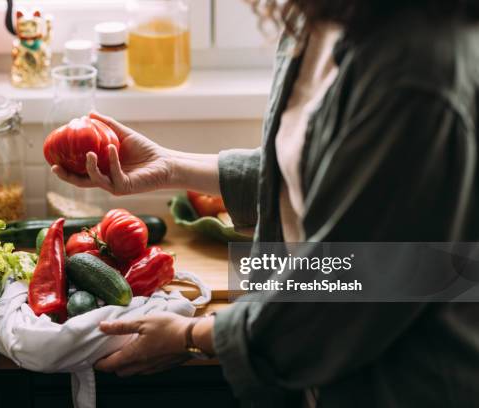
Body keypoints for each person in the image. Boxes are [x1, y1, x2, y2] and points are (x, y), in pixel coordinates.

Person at [52, 0, 479, 406]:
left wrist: (194, 334)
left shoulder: (417, 75)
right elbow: (319, 174)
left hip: (398, 383)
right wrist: (170, 166)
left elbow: (350, 287)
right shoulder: (318, 20)